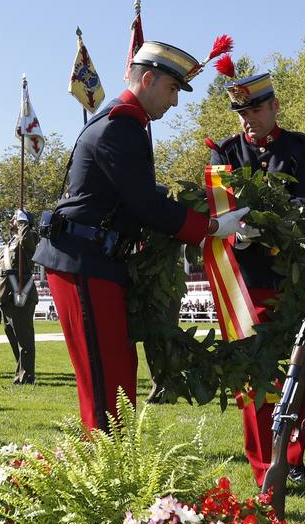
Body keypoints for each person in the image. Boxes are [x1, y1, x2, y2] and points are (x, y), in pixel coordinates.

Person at [33, 40, 250, 431]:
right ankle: (103, 477)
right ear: (147, 79)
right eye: (171, 90)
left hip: (96, 260)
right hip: (85, 261)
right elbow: (145, 205)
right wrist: (211, 228)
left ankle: (108, 469)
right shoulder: (121, 127)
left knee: (116, 374)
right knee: (106, 382)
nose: (174, 102)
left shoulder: (124, 124)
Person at [206, 70, 305, 485]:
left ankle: (291, 455)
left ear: (274, 106)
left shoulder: (299, 148)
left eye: (254, 109)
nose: (246, 119)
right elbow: (219, 209)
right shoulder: (225, 152)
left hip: (290, 277)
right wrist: (237, 233)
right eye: (240, 112)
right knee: (253, 378)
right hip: (245, 280)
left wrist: (272, 224)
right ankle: (264, 470)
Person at [0, 209, 39, 384]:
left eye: (17, 218)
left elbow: (27, 241)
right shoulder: (12, 242)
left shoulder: (30, 236)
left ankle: (27, 375)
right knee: (12, 334)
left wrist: (23, 223)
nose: (12, 219)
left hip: (21, 292)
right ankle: (21, 371)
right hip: (6, 293)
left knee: (24, 336)